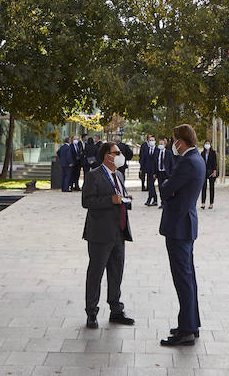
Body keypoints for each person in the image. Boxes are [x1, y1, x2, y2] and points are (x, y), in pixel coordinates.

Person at [158, 124, 205, 347]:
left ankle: (187, 329)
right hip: (185, 225)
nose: (172, 143)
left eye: (174, 139)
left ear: (180, 141)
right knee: (188, 277)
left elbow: (166, 189)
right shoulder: (197, 159)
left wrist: (167, 187)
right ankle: (190, 324)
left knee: (183, 278)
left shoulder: (187, 162)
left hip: (178, 226)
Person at [82, 141, 135, 329]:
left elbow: (120, 195)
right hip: (99, 233)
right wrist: (110, 200)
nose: (120, 155)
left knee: (116, 272)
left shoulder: (119, 174)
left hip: (119, 232)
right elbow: (87, 201)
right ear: (107, 155)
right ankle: (91, 312)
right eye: (117, 152)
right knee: (95, 273)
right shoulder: (93, 175)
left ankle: (116, 310)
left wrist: (126, 199)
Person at [199, 140, 218, 209]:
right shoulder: (202, 153)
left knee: (211, 188)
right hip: (204, 172)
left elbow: (215, 163)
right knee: (203, 187)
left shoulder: (213, 153)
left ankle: (211, 203)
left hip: (211, 171)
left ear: (210, 145)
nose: (207, 145)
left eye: (208, 143)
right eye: (206, 143)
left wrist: (214, 171)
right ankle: (203, 203)